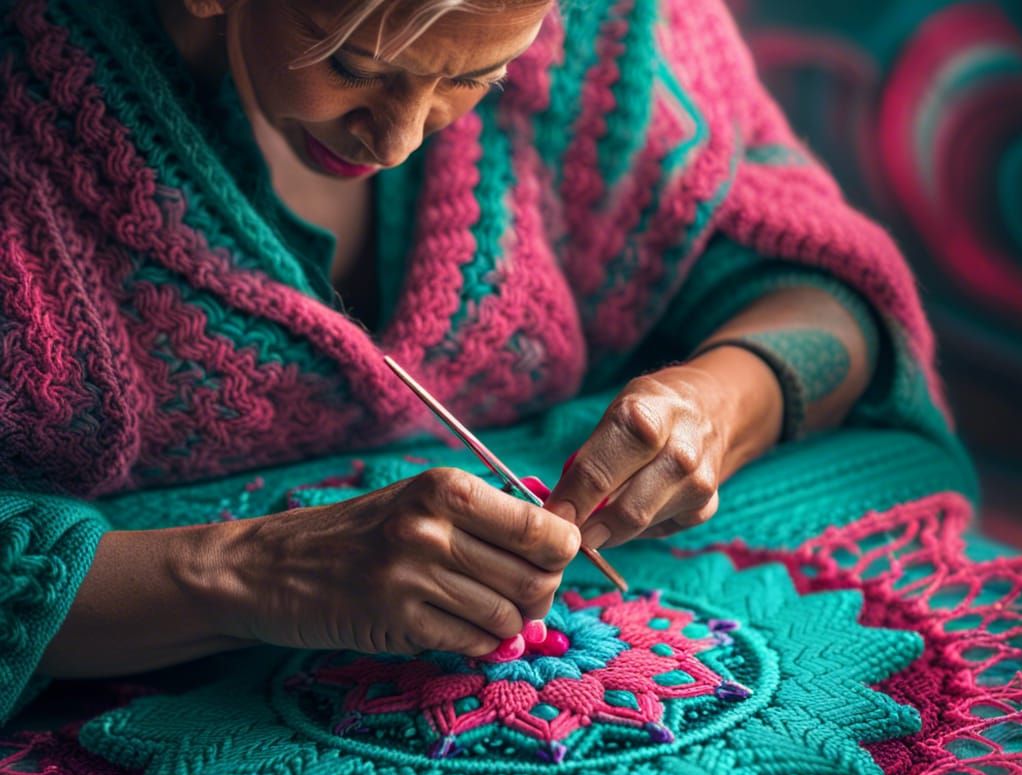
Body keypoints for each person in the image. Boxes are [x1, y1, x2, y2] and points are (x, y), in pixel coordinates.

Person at [0, 0, 964, 720]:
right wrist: (248, 574)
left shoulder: (607, 27)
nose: (399, 137)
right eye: (355, 64)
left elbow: (826, 299)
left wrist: (716, 405)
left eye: (474, 79)